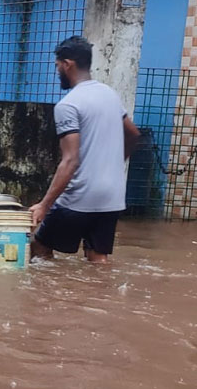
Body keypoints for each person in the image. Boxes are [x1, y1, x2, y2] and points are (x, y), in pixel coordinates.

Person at [30, 36, 140, 263]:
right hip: (112, 196)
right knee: (98, 258)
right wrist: (116, 163)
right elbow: (133, 133)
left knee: (39, 248)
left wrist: (44, 205)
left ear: (67, 64)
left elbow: (70, 161)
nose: (57, 70)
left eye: (57, 65)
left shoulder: (68, 105)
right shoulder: (109, 94)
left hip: (80, 196)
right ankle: (98, 297)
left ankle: (50, 297)